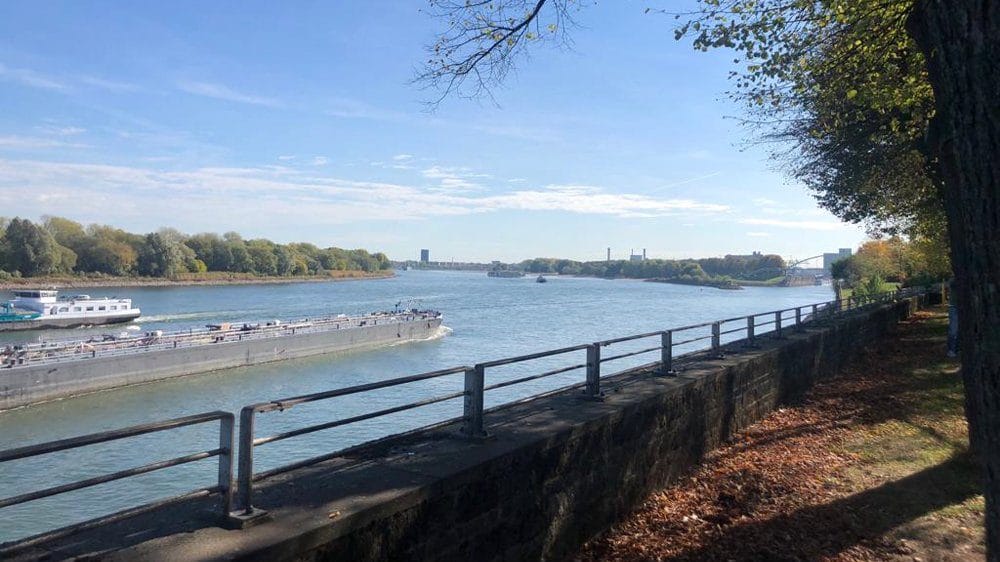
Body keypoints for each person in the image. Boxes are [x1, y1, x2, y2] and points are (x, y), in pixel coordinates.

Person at [947, 279, 959, 358]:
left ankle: (956, 348)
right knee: (953, 330)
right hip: (954, 307)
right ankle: (952, 350)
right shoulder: (953, 281)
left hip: (963, 307)